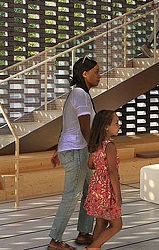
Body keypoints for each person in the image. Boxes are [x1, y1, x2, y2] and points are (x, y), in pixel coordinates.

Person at [48, 57, 100, 250]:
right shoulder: (80, 94)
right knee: (72, 195)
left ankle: (84, 232)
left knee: (91, 190)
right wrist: (94, 152)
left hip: (75, 149)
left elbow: (67, 124)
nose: (99, 75)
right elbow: (85, 127)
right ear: (84, 74)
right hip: (78, 150)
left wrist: (57, 149)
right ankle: (55, 239)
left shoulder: (77, 94)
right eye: (96, 71)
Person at [83, 110, 122, 249]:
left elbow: (90, 165)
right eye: (116, 123)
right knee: (117, 225)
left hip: (96, 186)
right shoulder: (109, 146)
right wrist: (118, 194)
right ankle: (93, 247)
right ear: (106, 126)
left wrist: (100, 165)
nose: (119, 126)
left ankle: (95, 246)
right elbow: (112, 171)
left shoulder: (95, 145)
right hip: (107, 189)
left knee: (101, 222)